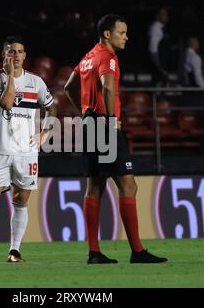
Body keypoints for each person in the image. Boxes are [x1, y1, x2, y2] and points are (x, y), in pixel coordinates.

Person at [64, 14, 167, 264]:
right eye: (122, 32)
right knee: (128, 186)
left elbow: (69, 87)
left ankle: (94, 252)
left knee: (95, 187)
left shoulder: (88, 56)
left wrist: (86, 112)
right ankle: (137, 251)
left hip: (90, 126)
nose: (126, 37)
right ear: (108, 34)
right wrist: (110, 122)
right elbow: (108, 86)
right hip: (105, 126)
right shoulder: (107, 57)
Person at [0, 36, 57, 263]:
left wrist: (44, 132)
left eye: (19, 51)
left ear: (25, 55)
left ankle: (15, 251)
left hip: (26, 152)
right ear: (3, 55)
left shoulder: (36, 82)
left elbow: (52, 108)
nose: (15, 55)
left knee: (20, 201)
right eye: (11, 51)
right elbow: (7, 103)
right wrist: (10, 78)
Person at [148, 7, 170, 85]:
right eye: (163, 14)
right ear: (158, 16)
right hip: (158, 65)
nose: (166, 16)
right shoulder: (155, 28)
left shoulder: (163, 28)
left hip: (163, 63)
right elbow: (153, 48)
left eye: (166, 14)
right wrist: (159, 66)